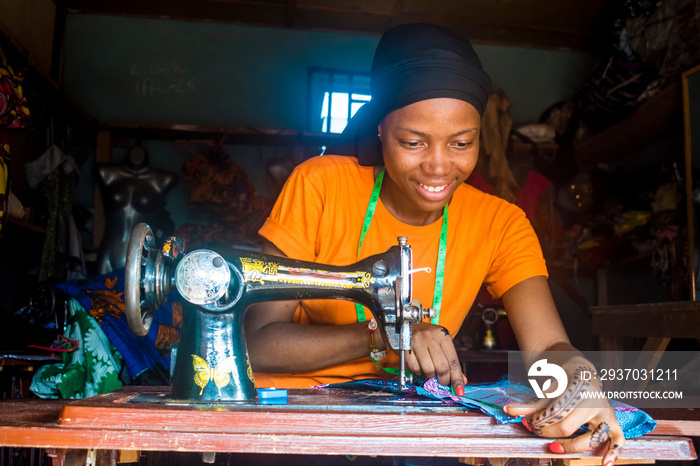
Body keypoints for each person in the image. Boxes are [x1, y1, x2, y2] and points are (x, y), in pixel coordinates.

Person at [245, 23, 624, 466]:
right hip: (290, 420)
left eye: (462, 143)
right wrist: (384, 336)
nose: (439, 167)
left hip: (404, 422)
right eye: (413, 142)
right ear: (381, 128)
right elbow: (258, 341)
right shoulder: (321, 185)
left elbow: (547, 350)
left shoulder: (500, 222)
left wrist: (580, 379)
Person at [96, 145, 177, 275]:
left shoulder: (163, 179)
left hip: (142, 253)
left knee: (140, 293)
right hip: (110, 247)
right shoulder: (106, 173)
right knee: (101, 293)